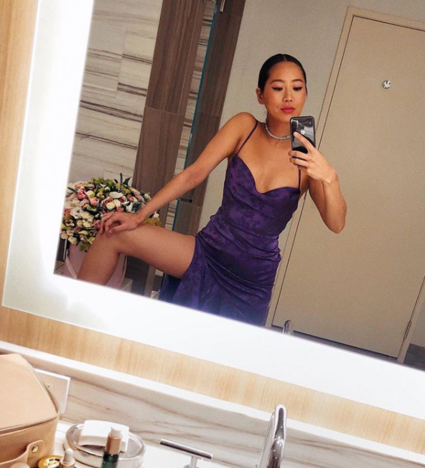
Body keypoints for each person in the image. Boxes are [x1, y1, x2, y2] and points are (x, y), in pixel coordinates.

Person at [78, 53, 347, 325]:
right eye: (278, 88)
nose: (288, 97)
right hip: (209, 250)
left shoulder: (308, 157)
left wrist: (330, 178)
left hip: (252, 280)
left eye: (297, 88)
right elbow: (194, 174)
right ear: (260, 95)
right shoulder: (245, 126)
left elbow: (336, 223)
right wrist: (139, 215)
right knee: (113, 235)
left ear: (305, 94)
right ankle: (72, 319)